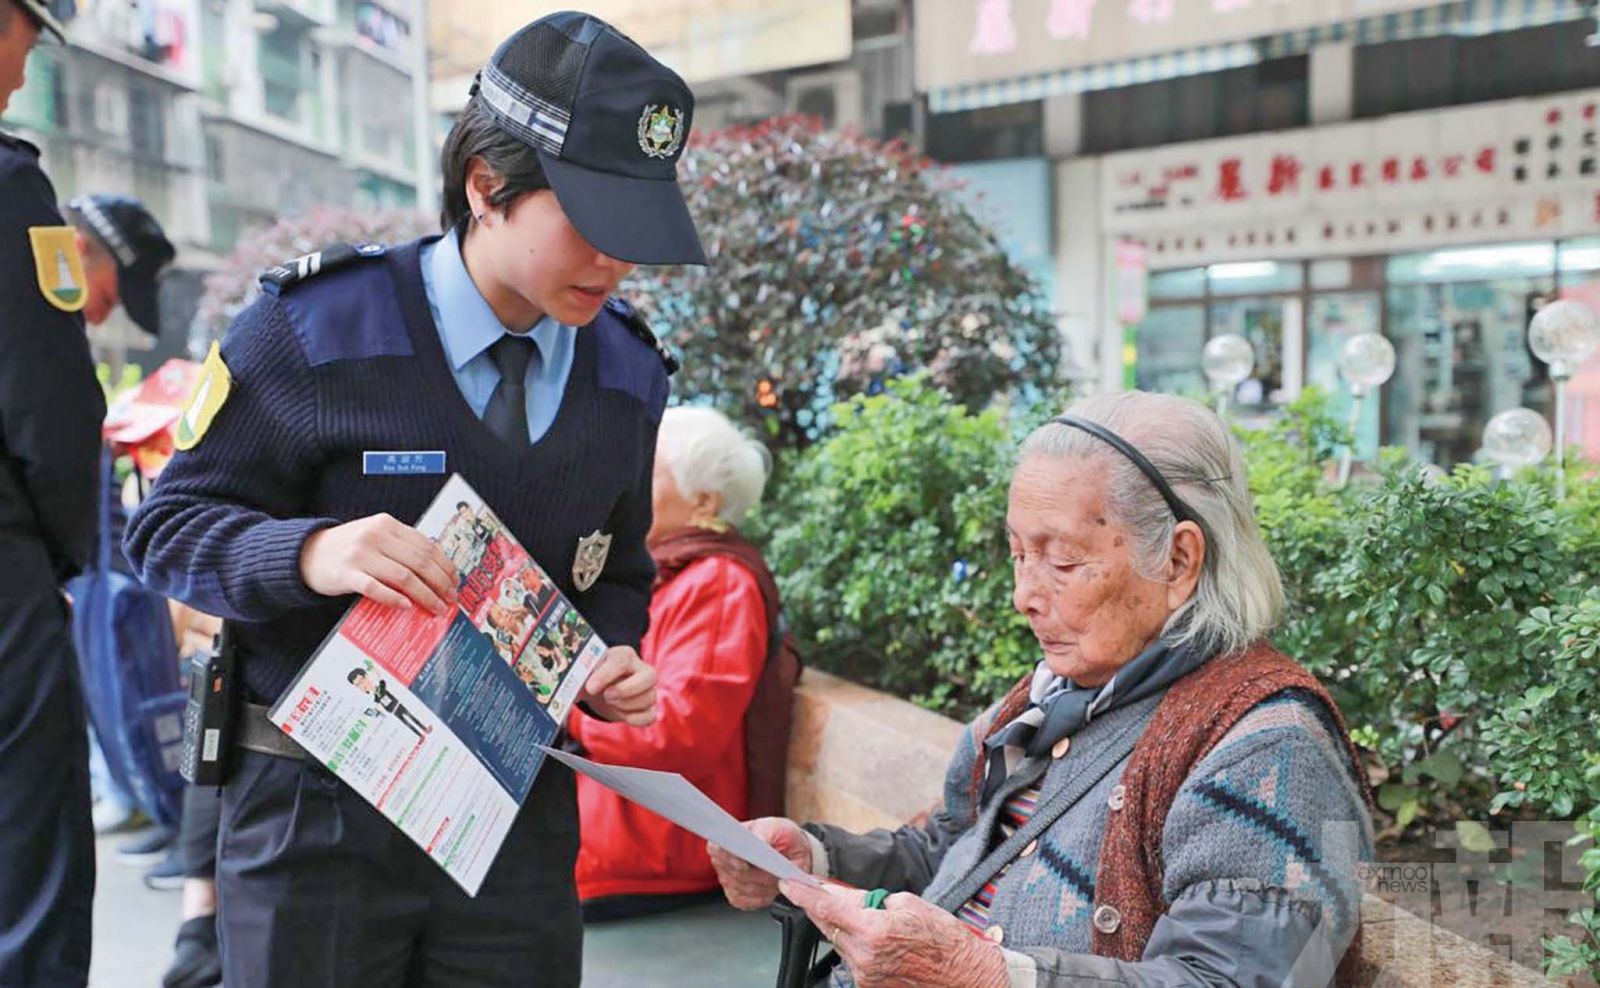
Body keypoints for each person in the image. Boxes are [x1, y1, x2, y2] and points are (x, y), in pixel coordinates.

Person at [123, 10, 700, 986]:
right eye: (591, 224)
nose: (616, 261)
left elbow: (617, 567)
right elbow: (166, 529)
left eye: (636, 230)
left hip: (510, 820)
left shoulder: (627, 374)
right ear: (486, 186)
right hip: (317, 818)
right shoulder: (315, 331)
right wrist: (312, 553)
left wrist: (609, 653)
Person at [710, 392, 1376, 988]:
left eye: (1062, 561)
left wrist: (985, 975)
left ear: (1178, 560)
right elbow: (954, 849)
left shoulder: (1270, 746)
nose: (1024, 596)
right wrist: (814, 858)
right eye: (1018, 554)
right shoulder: (1057, 693)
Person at [573, 407, 797, 920]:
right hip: (617, 825)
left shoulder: (717, 582)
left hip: (654, 848)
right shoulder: (666, 570)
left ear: (704, 500)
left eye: (647, 470)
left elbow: (675, 738)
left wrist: (561, 705)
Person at [0, 3, 104, 986]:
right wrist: (63, 558)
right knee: (27, 873)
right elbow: (52, 410)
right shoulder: (7, 183)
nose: (23, 76)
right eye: (24, 45)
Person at [349, 667, 432, 739]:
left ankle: (424, 729)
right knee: (406, 722)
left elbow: (381, 680)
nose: (362, 685)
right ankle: (420, 735)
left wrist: (375, 670)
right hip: (393, 711)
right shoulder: (375, 697)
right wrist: (373, 712)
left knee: (411, 717)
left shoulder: (380, 688)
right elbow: (378, 708)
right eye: (358, 685)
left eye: (361, 681)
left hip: (398, 705)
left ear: (366, 676)